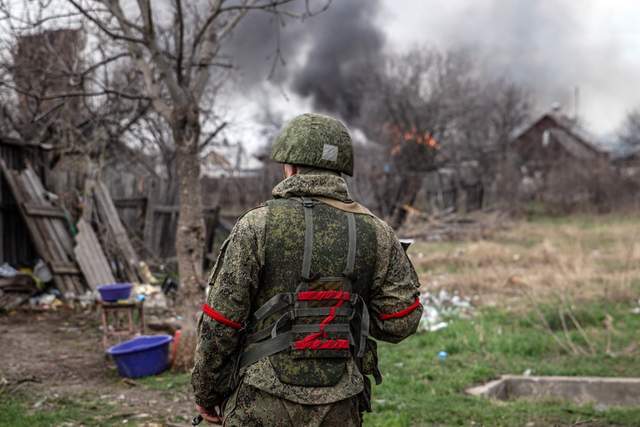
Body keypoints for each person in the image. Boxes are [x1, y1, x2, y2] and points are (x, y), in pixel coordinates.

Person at [191, 113, 423, 426]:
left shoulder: (256, 226)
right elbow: (400, 320)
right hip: (340, 404)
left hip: (261, 401)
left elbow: (221, 322)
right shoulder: (377, 232)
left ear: (290, 167)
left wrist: (207, 392)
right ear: (341, 169)